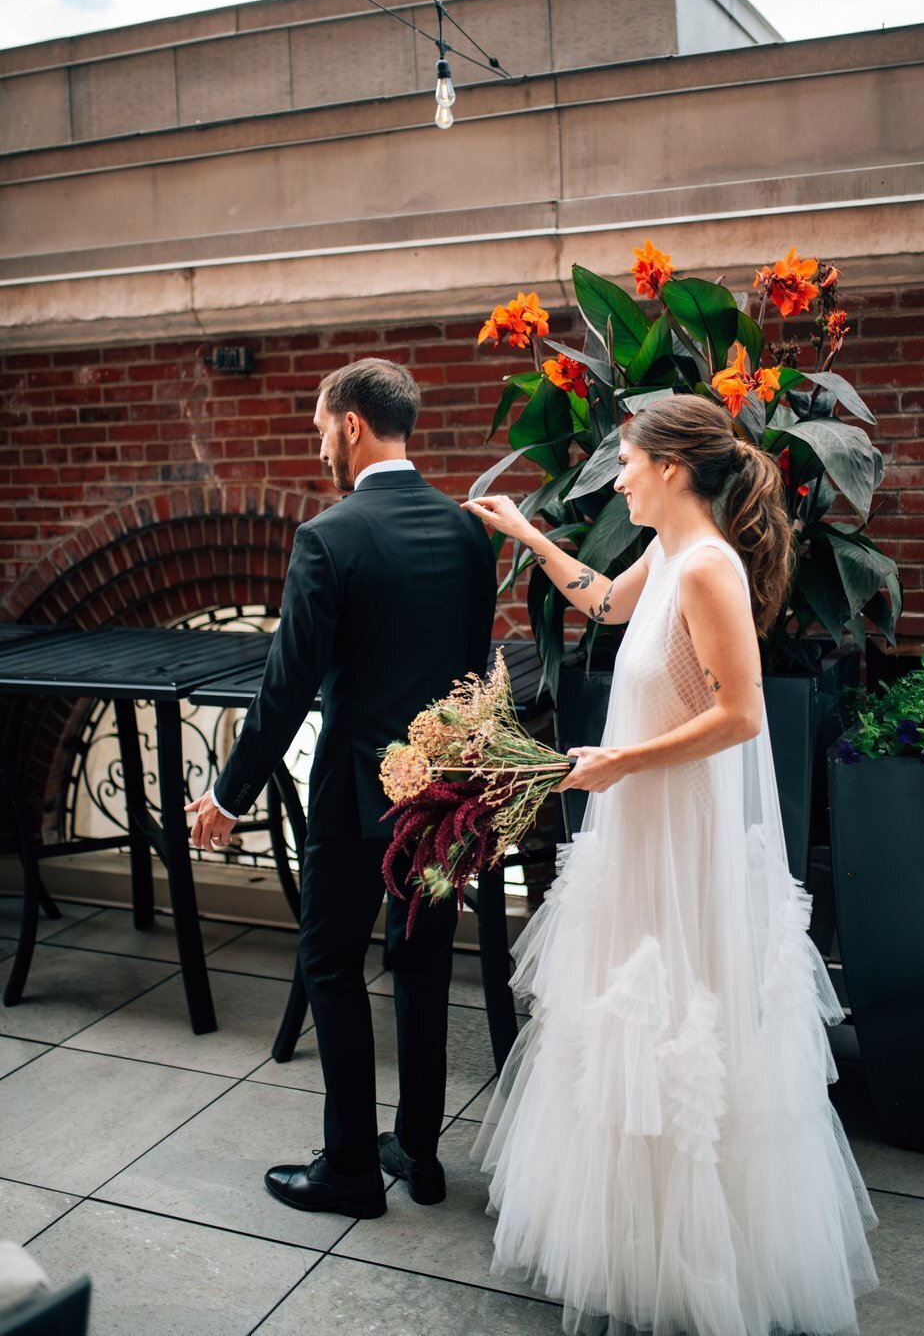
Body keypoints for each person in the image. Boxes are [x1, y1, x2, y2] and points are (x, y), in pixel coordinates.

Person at [463, 393, 877, 1336]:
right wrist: (527, 531)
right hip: (639, 831)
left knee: (682, 1028)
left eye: (627, 461)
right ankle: (630, 1242)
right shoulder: (664, 555)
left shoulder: (711, 571)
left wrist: (618, 763)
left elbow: (741, 715)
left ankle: (697, 1267)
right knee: (625, 1028)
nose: (616, 476)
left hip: (680, 834)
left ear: (673, 469)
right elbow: (602, 599)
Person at [186, 358, 496, 1218]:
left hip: (356, 801)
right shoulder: (468, 532)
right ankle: (419, 1154)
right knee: (423, 965)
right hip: (443, 800)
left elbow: (286, 686)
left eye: (322, 427)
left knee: (330, 963)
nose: (319, 443)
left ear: (352, 425)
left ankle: (353, 1169)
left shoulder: (329, 536)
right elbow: (473, 681)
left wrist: (229, 794)